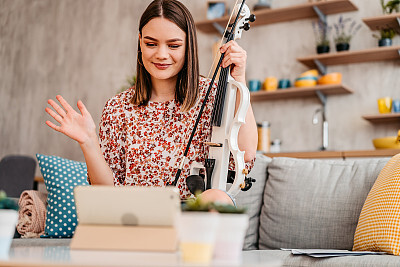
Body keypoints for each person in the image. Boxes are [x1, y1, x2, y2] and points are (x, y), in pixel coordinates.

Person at [45, 0, 257, 205]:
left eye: (173, 45)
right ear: (140, 42)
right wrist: (89, 141)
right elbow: (106, 192)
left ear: (188, 45)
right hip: (137, 215)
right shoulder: (117, 107)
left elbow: (245, 156)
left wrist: (238, 79)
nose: (161, 55)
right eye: (151, 44)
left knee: (217, 198)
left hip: (193, 218)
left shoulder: (211, 95)